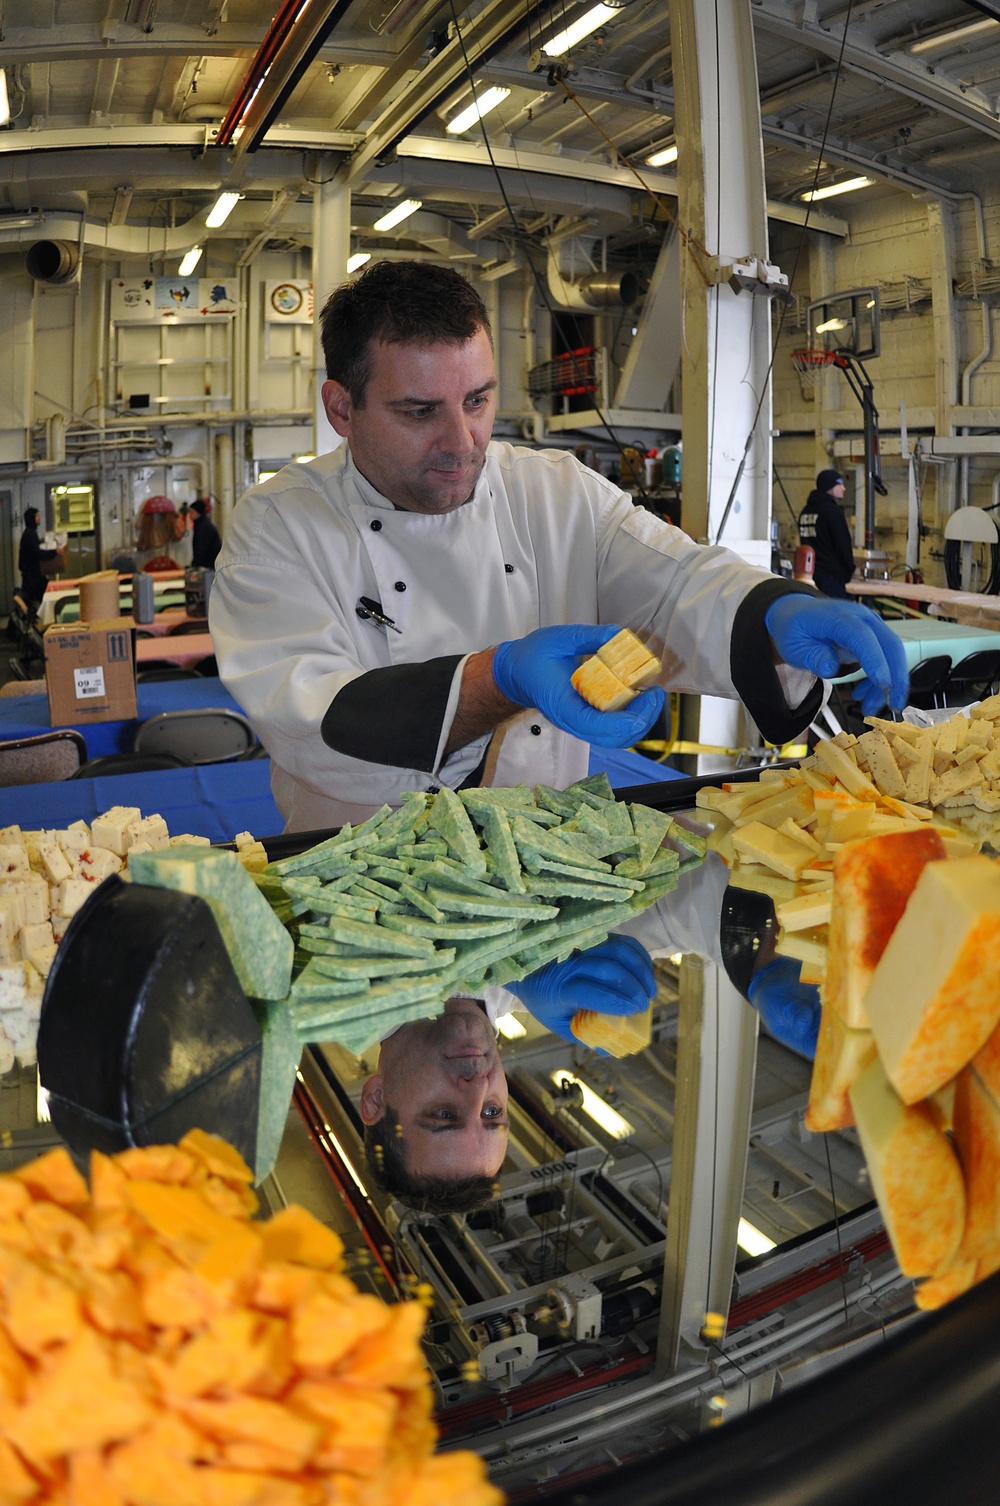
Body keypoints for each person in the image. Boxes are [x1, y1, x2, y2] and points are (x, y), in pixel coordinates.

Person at [211, 260, 907, 835]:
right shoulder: (277, 528)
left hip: (544, 860)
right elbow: (308, 717)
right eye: (419, 412)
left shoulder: (550, 491)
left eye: (478, 401)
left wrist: (769, 612)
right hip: (360, 882)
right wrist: (500, 678)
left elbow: (673, 583)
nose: (462, 442)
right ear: (341, 410)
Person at [798, 470, 856, 598]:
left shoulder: (805, 512)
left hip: (809, 575)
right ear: (829, 487)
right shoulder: (832, 512)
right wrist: (848, 570)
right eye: (839, 484)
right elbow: (843, 544)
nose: (844, 488)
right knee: (835, 616)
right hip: (831, 578)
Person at [190, 498, 222, 570]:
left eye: (192, 512)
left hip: (209, 564)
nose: (189, 515)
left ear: (198, 513)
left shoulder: (204, 527)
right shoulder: (201, 524)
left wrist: (195, 564)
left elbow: (201, 548)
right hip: (209, 563)